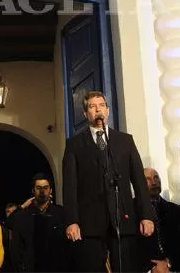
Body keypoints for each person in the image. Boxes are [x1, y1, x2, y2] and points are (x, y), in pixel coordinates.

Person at [62, 91, 154, 272]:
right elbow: (70, 186)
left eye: (102, 106)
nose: (98, 110)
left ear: (108, 110)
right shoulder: (74, 144)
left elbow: (139, 181)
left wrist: (146, 215)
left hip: (122, 218)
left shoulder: (125, 141)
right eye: (92, 107)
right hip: (89, 224)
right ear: (85, 113)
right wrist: (72, 220)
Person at [7, 173, 68, 273]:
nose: (42, 191)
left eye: (45, 187)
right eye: (39, 188)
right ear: (33, 190)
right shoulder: (23, 216)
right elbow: (9, 223)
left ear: (50, 190)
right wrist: (22, 206)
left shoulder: (60, 213)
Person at [139, 167, 180, 273]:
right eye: (148, 179)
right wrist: (152, 267)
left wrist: (168, 263)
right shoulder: (132, 211)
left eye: (156, 178)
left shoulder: (176, 211)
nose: (154, 182)